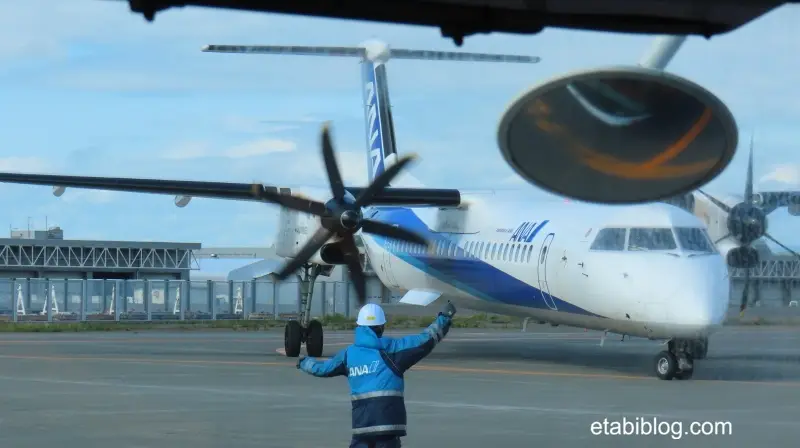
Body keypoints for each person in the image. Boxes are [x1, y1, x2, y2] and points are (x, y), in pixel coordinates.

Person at [296, 301, 457, 448]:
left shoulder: (348, 355)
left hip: (362, 427)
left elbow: (323, 368)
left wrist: (304, 363)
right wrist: (444, 318)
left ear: (359, 326)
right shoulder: (391, 350)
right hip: (388, 427)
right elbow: (425, 341)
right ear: (381, 327)